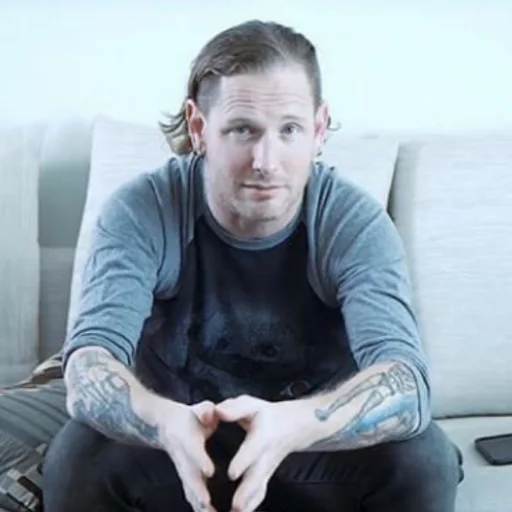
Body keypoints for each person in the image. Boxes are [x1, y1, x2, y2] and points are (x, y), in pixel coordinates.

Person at [42, 19, 463, 512]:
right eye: (243, 130)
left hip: (310, 445)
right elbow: (89, 364)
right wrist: (161, 421)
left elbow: (408, 384)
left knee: (425, 460)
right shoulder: (142, 210)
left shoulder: (353, 222)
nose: (266, 160)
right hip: (180, 441)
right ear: (199, 127)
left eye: (289, 130)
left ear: (319, 129)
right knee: (77, 458)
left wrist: (298, 424)